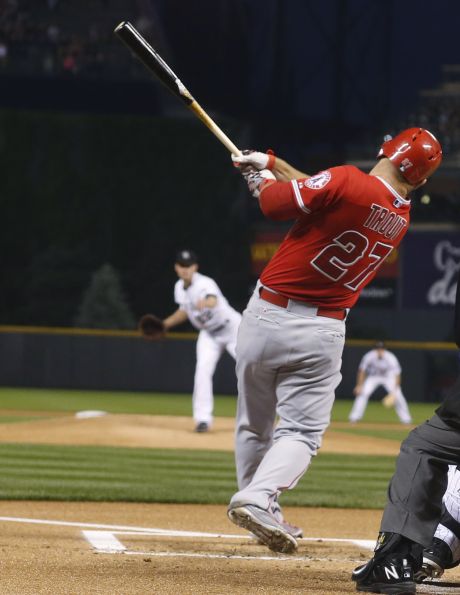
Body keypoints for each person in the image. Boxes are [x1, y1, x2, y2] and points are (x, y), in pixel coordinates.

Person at [225, 128, 442, 555]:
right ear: (419, 178)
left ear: (387, 150)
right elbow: (328, 193)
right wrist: (271, 164)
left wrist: (262, 183)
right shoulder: (399, 214)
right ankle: (259, 499)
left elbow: (274, 204)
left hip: (264, 317)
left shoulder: (346, 179)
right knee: (301, 434)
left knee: (253, 422)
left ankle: (256, 499)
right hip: (322, 330)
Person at [352, 274, 460, 595]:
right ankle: (441, 542)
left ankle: (395, 559)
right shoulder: (372, 358)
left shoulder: (390, 359)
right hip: (375, 382)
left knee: (424, 447)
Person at [161, 250, 241, 433]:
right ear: (176, 267)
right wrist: (165, 324)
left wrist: (206, 302)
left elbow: (212, 299)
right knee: (202, 372)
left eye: (188, 266)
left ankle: (281, 414)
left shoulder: (205, 283)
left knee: (253, 370)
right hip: (209, 335)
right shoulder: (179, 288)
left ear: (195, 267)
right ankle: (202, 420)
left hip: (232, 329)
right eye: (182, 265)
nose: (185, 269)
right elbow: (184, 311)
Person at [349, 340, 412, 424]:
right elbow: (362, 371)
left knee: (398, 395)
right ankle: (354, 417)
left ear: (384, 349)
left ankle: (406, 419)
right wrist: (359, 385)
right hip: (373, 377)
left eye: (381, 348)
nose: (379, 350)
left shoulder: (390, 357)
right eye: (378, 348)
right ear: (375, 349)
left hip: (388, 378)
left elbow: (397, 374)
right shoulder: (369, 356)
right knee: (363, 393)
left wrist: (395, 390)